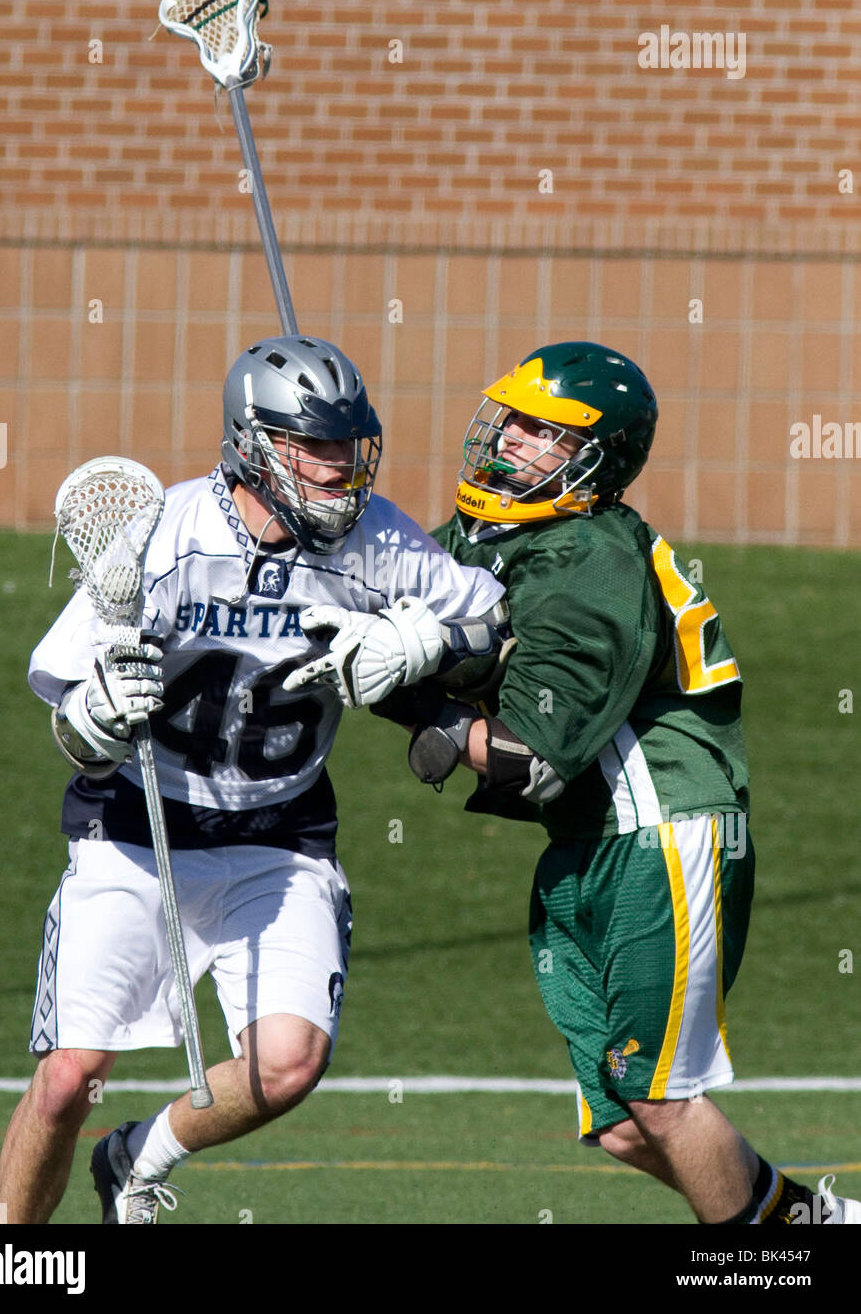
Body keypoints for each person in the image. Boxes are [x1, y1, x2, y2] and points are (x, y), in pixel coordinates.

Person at [0, 334, 506, 1225]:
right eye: (316, 446)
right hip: (136, 827)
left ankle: (135, 1160)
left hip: (279, 835)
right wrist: (99, 714)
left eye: (349, 444)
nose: (340, 467)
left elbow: (491, 618)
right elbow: (67, 718)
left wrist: (428, 640)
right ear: (252, 444)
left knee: (288, 1065)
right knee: (68, 1079)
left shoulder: (375, 539)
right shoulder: (165, 531)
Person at [364, 340, 861, 1226]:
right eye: (511, 417)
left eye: (543, 430)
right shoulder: (493, 536)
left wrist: (418, 701)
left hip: (659, 828)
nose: (510, 439)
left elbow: (528, 759)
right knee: (630, 1126)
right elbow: (379, 590)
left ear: (595, 456)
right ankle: (804, 1227)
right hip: (589, 843)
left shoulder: (586, 555)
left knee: (663, 1100)